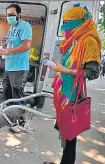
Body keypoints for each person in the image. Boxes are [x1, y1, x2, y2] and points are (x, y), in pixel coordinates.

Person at [44, 5, 101, 164]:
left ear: (80, 23)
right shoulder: (75, 40)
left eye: (69, 23)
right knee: (65, 133)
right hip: (65, 92)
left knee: (70, 136)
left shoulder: (88, 41)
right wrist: (59, 67)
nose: (65, 27)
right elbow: (69, 63)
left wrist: (65, 70)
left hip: (74, 95)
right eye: (64, 23)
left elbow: (92, 72)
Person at [0, 4, 32, 134]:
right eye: (8, 14)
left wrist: (9, 51)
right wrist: (2, 49)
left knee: (17, 95)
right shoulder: (11, 28)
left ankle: (22, 123)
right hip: (9, 66)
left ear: (19, 14)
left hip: (19, 66)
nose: (9, 17)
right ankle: (12, 119)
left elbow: (27, 46)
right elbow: (8, 43)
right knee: (7, 93)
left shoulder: (25, 26)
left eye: (12, 14)